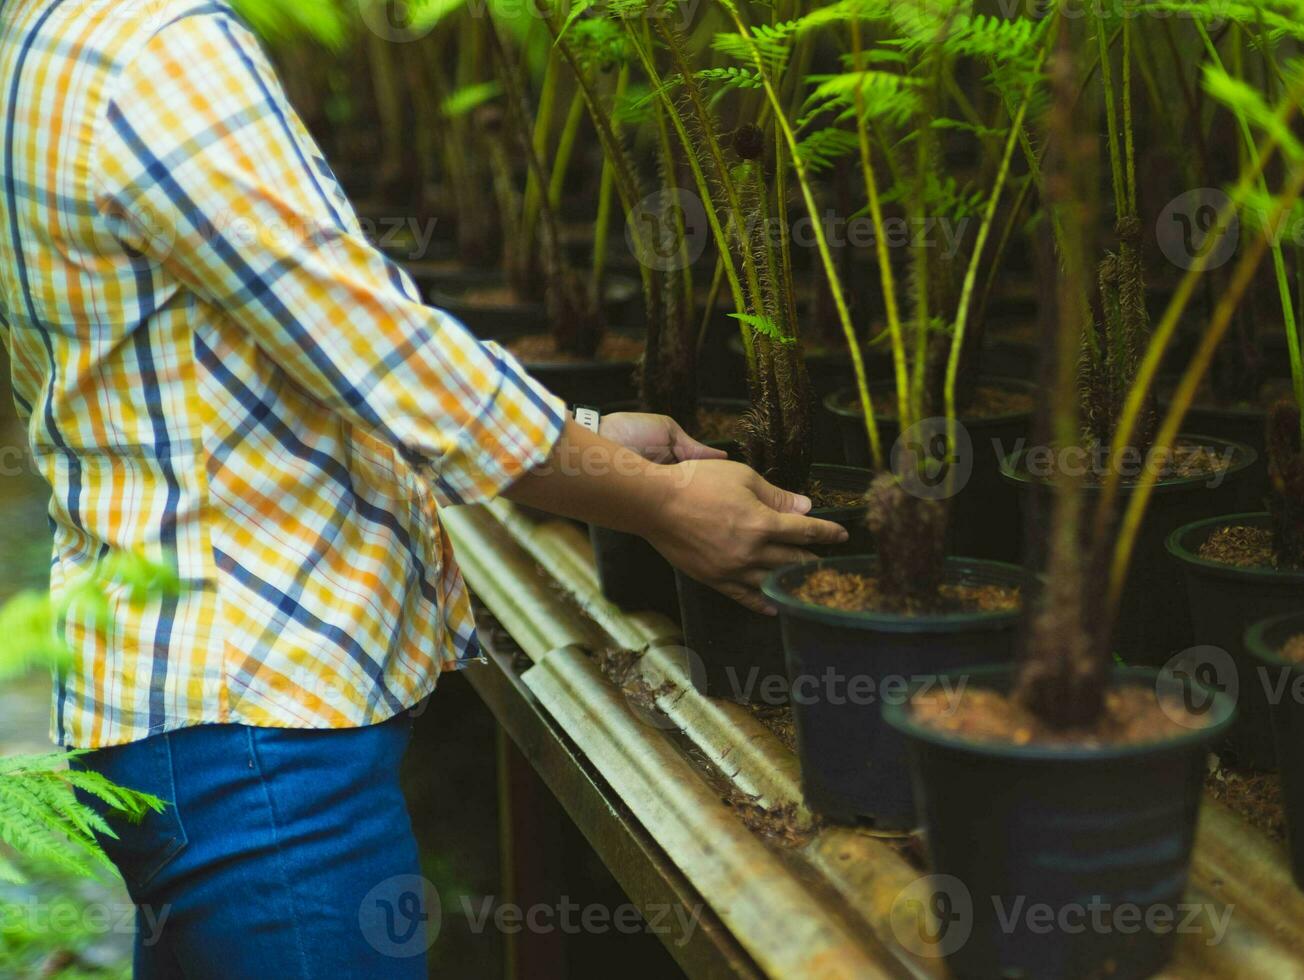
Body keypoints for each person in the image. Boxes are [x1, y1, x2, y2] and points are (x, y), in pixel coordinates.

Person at [0, 2, 845, 976]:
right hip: (258, 724)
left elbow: (242, 371)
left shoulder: (48, 32)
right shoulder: (160, 51)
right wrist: (656, 504)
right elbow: (371, 346)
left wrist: (590, 434)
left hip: (176, 691)